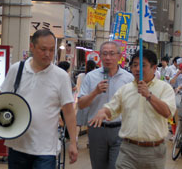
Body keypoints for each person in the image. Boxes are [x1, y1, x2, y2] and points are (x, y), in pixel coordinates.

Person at [0, 29, 77, 168]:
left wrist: (73, 143)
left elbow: (69, 111)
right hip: (18, 146)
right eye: (43, 49)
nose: (48, 54)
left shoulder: (61, 76)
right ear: (32, 47)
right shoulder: (17, 69)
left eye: (51, 50)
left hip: (46, 150)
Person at [89, 49, 176, 169]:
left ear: (154, 68)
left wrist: (149, 95)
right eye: (134, 65)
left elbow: (168, 113)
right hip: (128, 150)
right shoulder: (125, 89)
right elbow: (112, 108)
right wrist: (103, 111)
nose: (137, 69)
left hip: (155, 151)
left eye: (142, 65)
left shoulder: (165, 89)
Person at [78, 41, 134, 169]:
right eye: (105, 54)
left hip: (120, 129)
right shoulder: (91, 77)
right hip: (97, 129)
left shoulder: (128, 79)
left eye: (112, 54)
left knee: (117, 166)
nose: (108, 57)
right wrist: (95, 92)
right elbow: (81, 104)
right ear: (100, 56)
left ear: (120, 57)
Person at [75, 60, 96, 144]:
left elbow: (77, 86)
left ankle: (76, 139)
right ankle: (89, 141)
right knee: (89, 123)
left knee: (78, 122)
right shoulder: (94, 76)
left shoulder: (80, 76)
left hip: (81, 100)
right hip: (90, 101)